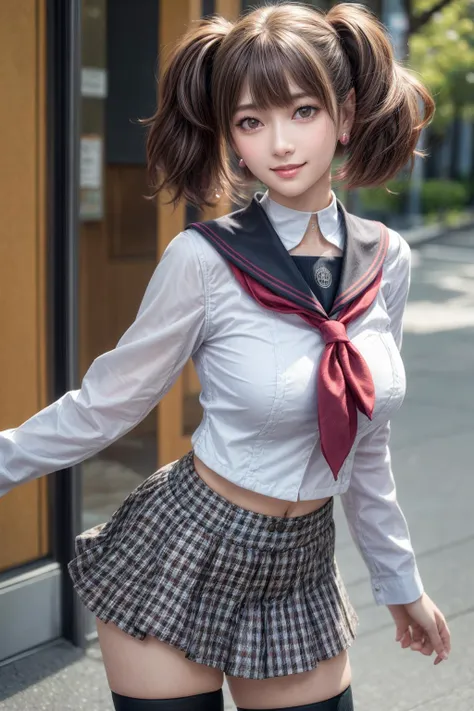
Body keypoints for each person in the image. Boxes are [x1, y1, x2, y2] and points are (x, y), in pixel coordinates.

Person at [0, 3, 451, 710]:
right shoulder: (204, 260)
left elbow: (367, 442)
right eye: (250, 121)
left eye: (302, 110)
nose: (279, 143)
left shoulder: (386, 262)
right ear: (230, 137)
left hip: (300, 567)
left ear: (346, 112)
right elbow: (106, 405)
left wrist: (402, 584)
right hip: (185, 546)